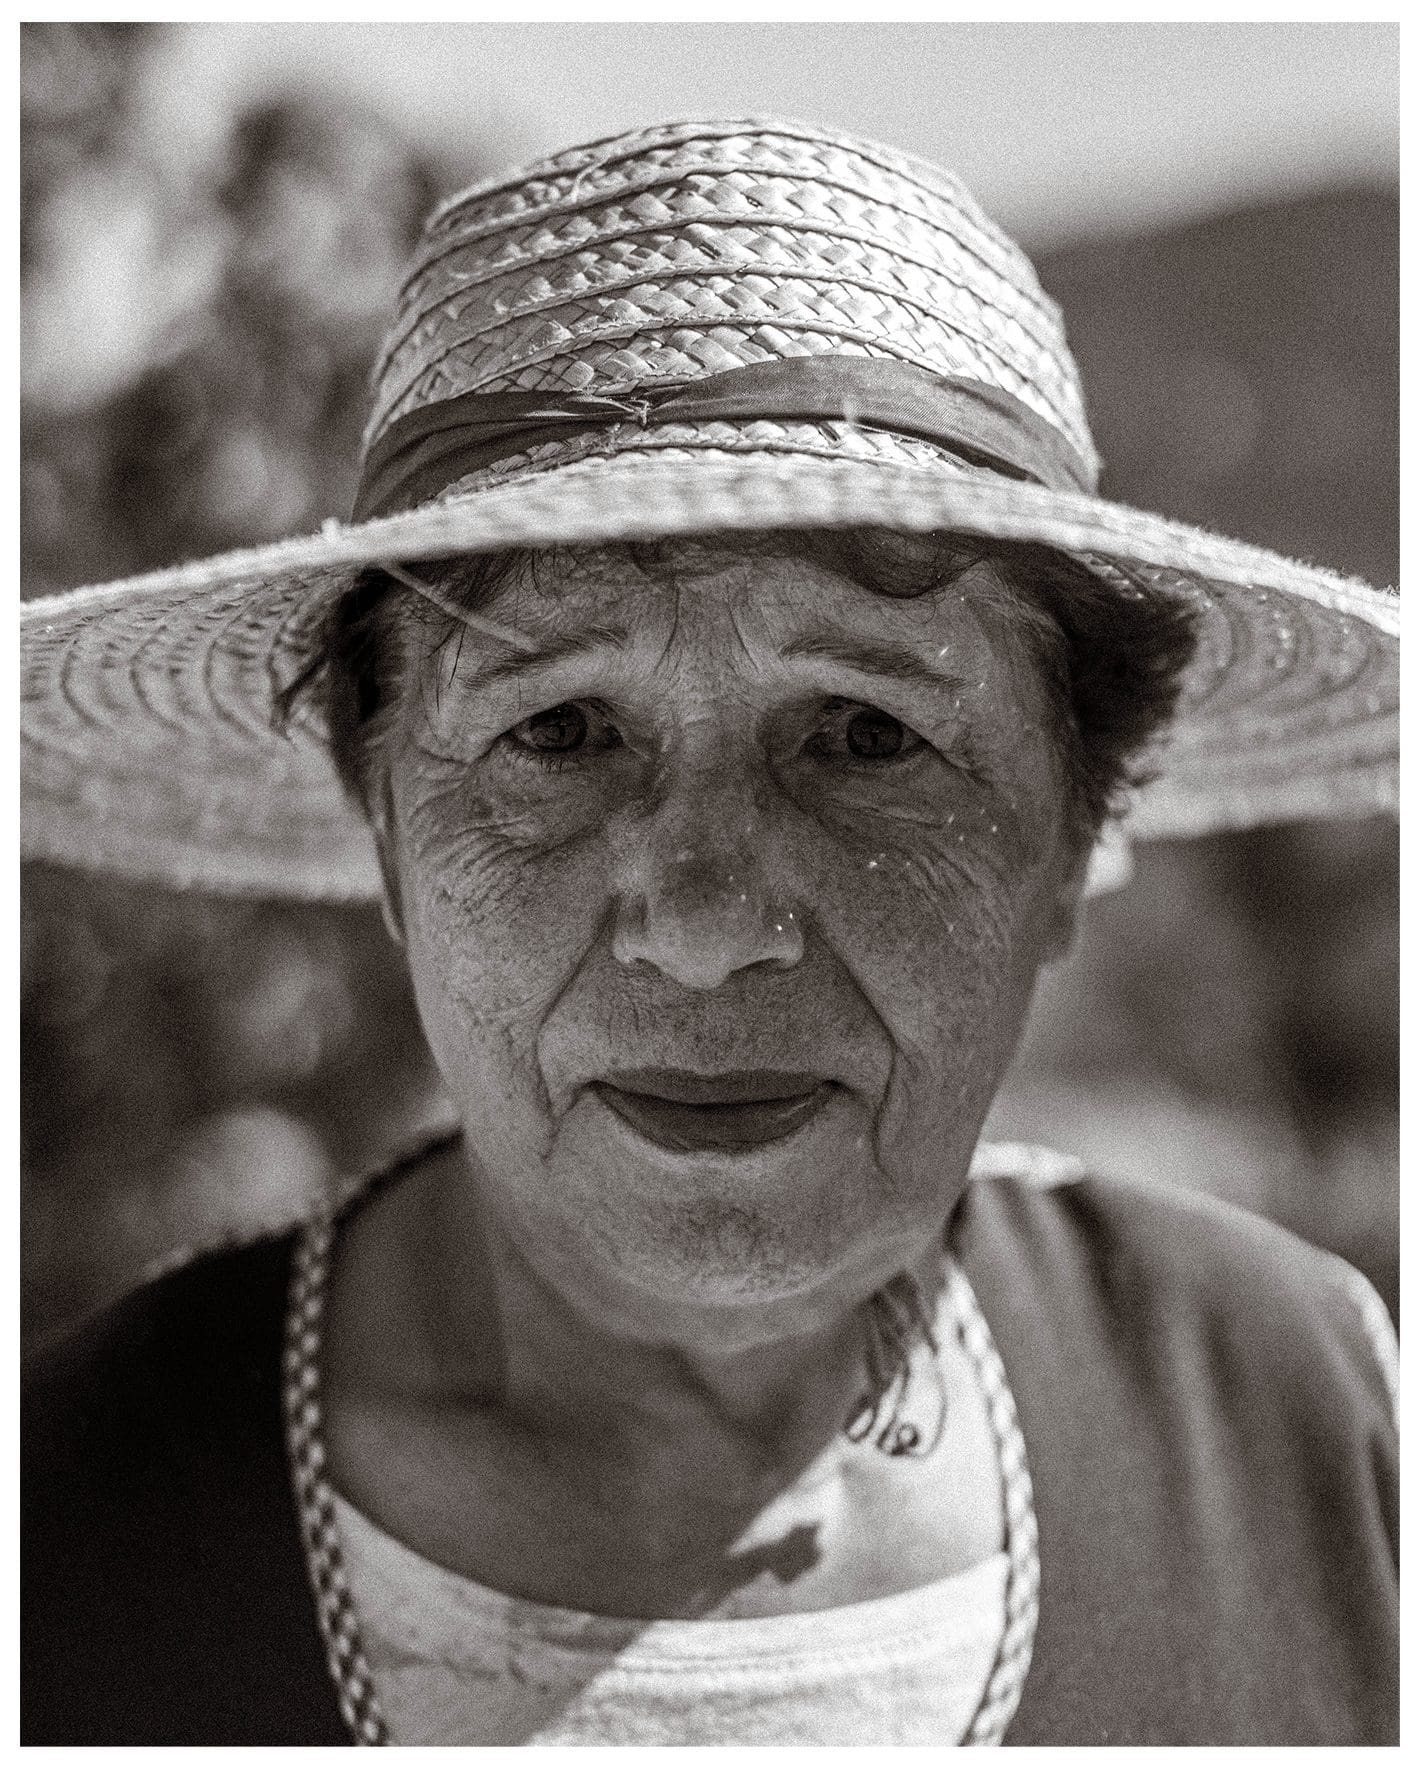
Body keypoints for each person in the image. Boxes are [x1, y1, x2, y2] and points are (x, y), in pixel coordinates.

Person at [21, 117, 1398, 1747]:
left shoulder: (1295, 1413)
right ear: (382, 825)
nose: (701, 926)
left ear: (1076, 833)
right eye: (556, 733)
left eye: (865, 735)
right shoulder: (57, 1536)